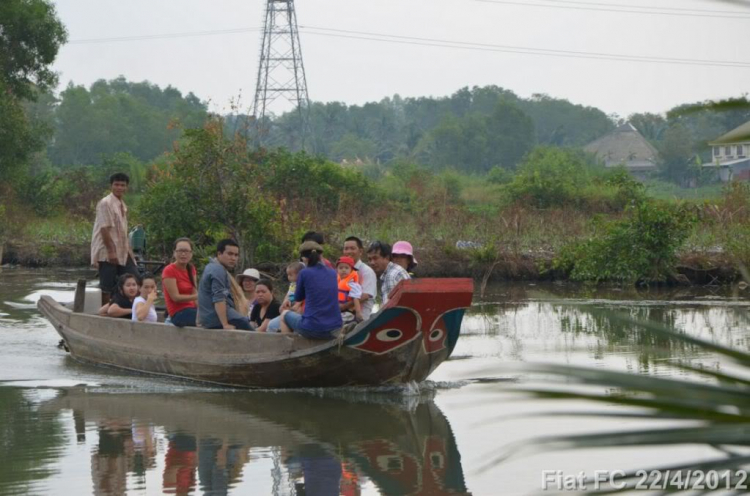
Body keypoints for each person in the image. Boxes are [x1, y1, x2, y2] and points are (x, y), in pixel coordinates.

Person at [279, 241, 342, 339]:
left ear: (304, 258)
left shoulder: (304, 273)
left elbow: (298, 297)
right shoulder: (333, 272)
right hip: (336, 327)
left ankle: (289, 350)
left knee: (284, 315)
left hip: (313, 328)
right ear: (321, 256)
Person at [91, 172, 138, 301]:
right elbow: (104, 228)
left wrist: (130, 253)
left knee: (134, 280)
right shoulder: (105, 203)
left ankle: (127, 309)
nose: (119, 188)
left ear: (126, 187)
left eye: (122, 185)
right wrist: (111, 251)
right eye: (116, 185)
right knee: (107, 285)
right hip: (106, 251)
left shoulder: (122, 204)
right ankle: (105, 313)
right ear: (111, 186)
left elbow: (122, 232)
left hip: (122, 250)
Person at [197, 239, 252, 331]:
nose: (233, 258)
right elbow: (219, 299)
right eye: (229, 254)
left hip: (209, 318)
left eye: (236, 255)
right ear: (219, 254)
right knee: (245, 323)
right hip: (215, 319)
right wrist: (225, 324)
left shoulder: (210, 266)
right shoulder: (218, 270)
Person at [162, 238, 198, 327]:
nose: (183, 254)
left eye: (186, 251)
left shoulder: (191, 269)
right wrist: (199, 296)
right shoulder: (169, 270)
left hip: (192, 309)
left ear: (191, 253)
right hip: (178, 313)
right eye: (180, 251)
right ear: (174, 252)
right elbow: (175, 297)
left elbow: (195, 293)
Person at [342, 236, 377, 319]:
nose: (349, 251)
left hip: (360, 320)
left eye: (352, 248)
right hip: (344, 318)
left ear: (360, 251)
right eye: (346, 249)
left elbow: (364, 296)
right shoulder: (343, 270)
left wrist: (343, 306)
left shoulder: (367, 271)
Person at [367, 241, 411, 306]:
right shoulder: (392, 271)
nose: (372, 263)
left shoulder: (391, 275)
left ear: (387, 258)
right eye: (370, 259)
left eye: (375, 258)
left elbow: (389, 308)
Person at [267, 261, 305, 333]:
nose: (288, 277)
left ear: (299, 275)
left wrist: (297, 305)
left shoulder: (302, 285)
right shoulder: (292, 285)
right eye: (288, 275)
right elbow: (288, 295)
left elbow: (303, 296)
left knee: (297, 311)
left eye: (291, 275)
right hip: (291, 303)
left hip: (298, 306)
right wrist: (283, 304)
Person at [336, 256, 364, 322]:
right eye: (341, 268)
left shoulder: (352, 284)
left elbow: (356, 298)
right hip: (337, 311)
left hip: (348, 312)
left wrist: (358, 312)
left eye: (346, 268)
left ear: (351, 270)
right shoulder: (336, 282)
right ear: (337, 269)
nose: (343, 270)